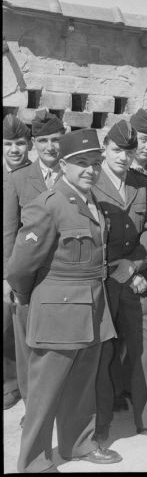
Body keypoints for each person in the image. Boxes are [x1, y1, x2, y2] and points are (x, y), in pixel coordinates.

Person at [6, 128, 122, 472]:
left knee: (82, 384)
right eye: (82, 163)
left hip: (93, 306)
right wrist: (33, 302)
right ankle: (34, 462)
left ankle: (78, 445)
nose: (90, 170)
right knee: (45, 391)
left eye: (95, 163)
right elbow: (21, 266)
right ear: (65, 166)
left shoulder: (92, 202)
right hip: (59, 310)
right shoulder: (50, 204)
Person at [93, 120, 147, 441]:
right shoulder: (91, 181)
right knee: (102, 353)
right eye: (116, 150)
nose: (122, 157)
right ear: (105, 148)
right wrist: (118, 269)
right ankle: (97, 427)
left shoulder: (141, 183)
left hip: (136, 276)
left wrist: (132, 268)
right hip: (102, 279)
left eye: (128, 152)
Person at [3, 110, 65, 423]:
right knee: (27, 346)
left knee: (60, 344)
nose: (50, 147)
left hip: (63, 276)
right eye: (43, 141)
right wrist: (7, 278)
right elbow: (9, 231)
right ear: (35, 144)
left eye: (55, 140)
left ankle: (60, 403)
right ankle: (33, 408)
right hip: (28, 277)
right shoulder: (17, 179)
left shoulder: (75, 172)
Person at [3, 115, 32, 411]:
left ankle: (15, 388)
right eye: (9, 144)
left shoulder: (32, 176)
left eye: (19, 144)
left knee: (14, 330)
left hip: (17, 266)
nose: (14, 150)